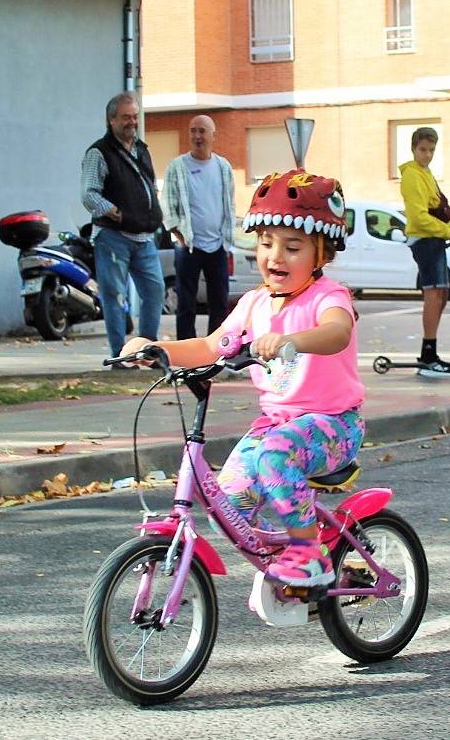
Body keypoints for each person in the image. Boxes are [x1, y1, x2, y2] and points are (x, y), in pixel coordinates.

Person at [119, 168, 362, 588]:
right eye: (267, 244)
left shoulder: (329, 296)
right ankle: (296, 549)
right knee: (227, 503)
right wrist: (156, 349)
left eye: (292, 247)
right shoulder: (254, 303)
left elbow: (337, 332)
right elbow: (212, 346)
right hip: (277, 426)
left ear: (320, 254)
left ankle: (308, 555)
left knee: (275, 455)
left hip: (335, 423)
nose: (275, 256)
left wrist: (292, 339)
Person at [81, 91, 166, 359]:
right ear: (112, 120)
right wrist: (114, 212)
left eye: (135, 116)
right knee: (115, 296)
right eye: (126, 117)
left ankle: (148, 352)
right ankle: (120, 355)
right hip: (113, 236)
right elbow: (89, 194)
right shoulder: (99, 152)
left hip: (144, 237)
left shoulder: (142, 149)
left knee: (155, 292)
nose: (132, 122)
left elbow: (150, 184)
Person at [162, 114, 236, 340]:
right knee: (186, 303)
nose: (197, 136)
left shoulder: (223, 167)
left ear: (213, 135)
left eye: (202, 131)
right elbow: (167, 204)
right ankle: (187, 351)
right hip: (189, 246)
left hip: (218, 246)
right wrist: (178, 234)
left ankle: (216, 350)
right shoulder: (177, 166)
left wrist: (227, 238)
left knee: (219, 302)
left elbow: (230, 204)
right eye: (193, 131)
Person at [399, 126, 450, 379]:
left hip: (434, 238)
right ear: (414, 149)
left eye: (431, 150)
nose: (427, 155)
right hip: (425, 239)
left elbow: (438, 208)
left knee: (443, 294)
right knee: (433, 294)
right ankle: (428, 355)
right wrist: (449, 233)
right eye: (423, 150)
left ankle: (431, 353)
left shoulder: (426, 173)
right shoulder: (412, 175)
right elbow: (419, 216)